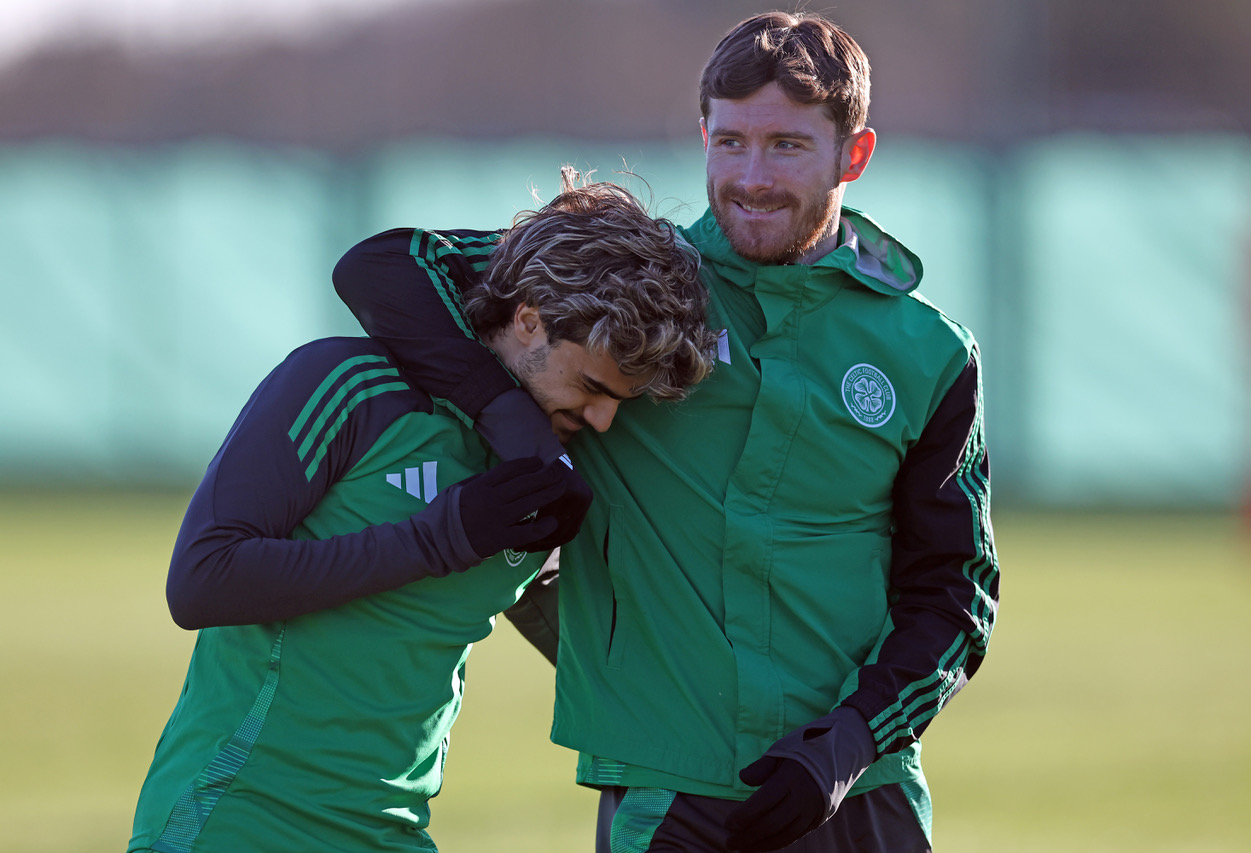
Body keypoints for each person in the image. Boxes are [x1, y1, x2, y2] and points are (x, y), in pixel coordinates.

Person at [333, 11, 999, 853]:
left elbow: (954, 593)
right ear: (703, 137)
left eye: (787, 146)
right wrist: (519, 432)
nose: (751, 176)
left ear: (853, 155)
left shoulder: (931, 354)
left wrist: (852, 743)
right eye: (731, 143)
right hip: (668, 802)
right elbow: (387, 265)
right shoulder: (635, 290)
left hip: (858, 797)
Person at [126, 176, 718, 853]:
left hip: (393, 832)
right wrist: (442, 537)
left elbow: (565, 631)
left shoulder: (544, 471)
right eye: (591, 387)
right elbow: (204, 579)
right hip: (239, 816)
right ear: (528, 319)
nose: (604, 419)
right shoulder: (349, 386)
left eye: (623, 399)